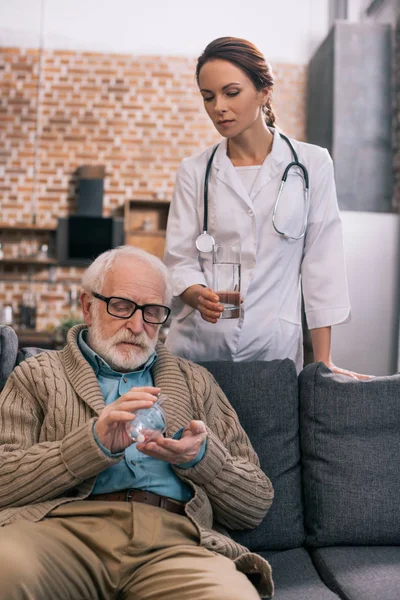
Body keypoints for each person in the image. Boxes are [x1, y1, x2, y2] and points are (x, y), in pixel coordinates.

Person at [0, 245, 274, 600]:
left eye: (152, 312)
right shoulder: (36, 376)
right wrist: (91, 445)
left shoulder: (197, 382)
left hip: (173, 543)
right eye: (121, 305)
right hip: (59, 533)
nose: (136, 324)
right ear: (87, 306)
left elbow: (256, 504)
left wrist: (202, 458)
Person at [163, 36, 369, 379]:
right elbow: (180, 259)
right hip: (196, 351)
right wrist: (198, 295)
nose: (218, 108)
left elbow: (322, 264)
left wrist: (323, 361)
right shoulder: (194, 171)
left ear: (263, 91)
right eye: (208, 97)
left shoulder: (312, 164)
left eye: (231, 92)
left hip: (271, 350)